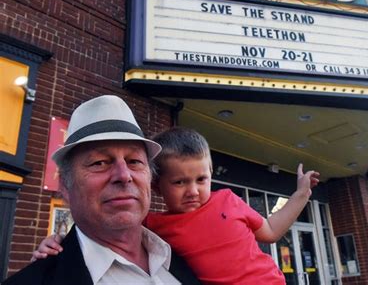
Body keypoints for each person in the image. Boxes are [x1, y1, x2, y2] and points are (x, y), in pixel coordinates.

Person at [32, 127, 320, 284]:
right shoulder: (155, 227)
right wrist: (59, 241)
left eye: (201, 179)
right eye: (180, 183)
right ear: (157, 186)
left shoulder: (228, 200)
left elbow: (269, 230)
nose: (193, 191)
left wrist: (300, 196)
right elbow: (105, 227)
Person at [3, 95, 200, 285]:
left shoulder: (188, 255)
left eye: (134, 161)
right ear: (64, 185)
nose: (124, 175)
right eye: (99, 163)